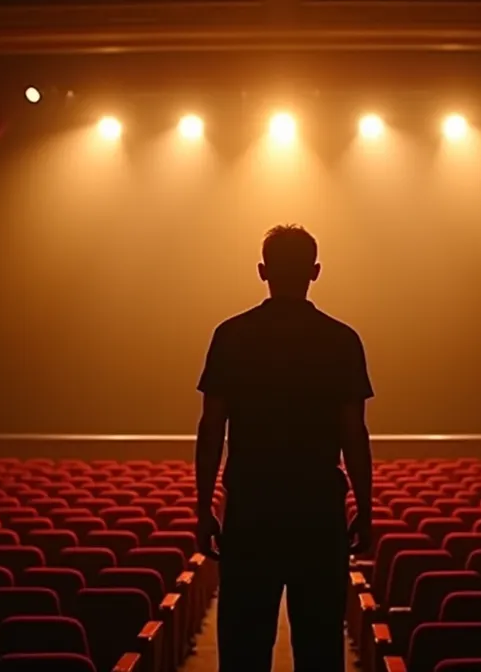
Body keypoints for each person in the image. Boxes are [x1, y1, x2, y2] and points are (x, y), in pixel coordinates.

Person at [194, 224, 374, 671]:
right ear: (315, 271)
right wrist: (365, 508)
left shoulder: (231, 335)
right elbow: (354, 433)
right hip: (318, 513)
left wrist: (204, 508)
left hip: (252, 512)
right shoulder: (342, 339)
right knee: (320, 649)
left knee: (243, 649)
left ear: (263, 271)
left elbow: (212, 428)